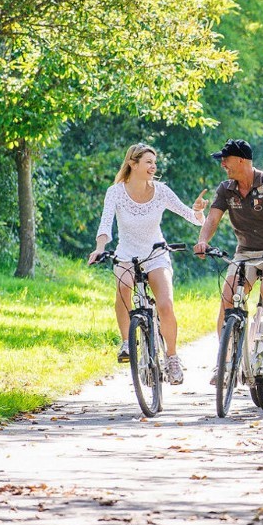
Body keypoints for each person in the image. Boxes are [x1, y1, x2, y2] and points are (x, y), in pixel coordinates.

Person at [89, 143, 208, 386]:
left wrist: (197, 213)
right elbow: (105, 225)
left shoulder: (161, 191)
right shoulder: (115, 192)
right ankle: (126, 342)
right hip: (126, 254)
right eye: (148, 162)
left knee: (165, 304)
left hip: (156, 253)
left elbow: (191, 218)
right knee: (123, 286)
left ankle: (172, 357)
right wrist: (100, 248)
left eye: (154, 163)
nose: (153, 167)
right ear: (133, 164)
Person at [193, 138, 263, 366]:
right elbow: (213, 218)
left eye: (225, 160)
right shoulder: (225, 189)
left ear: (241, 160)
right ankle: (225, 360)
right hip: (245, 254)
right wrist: (202, 241)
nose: (223, 164)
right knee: (228, 298)